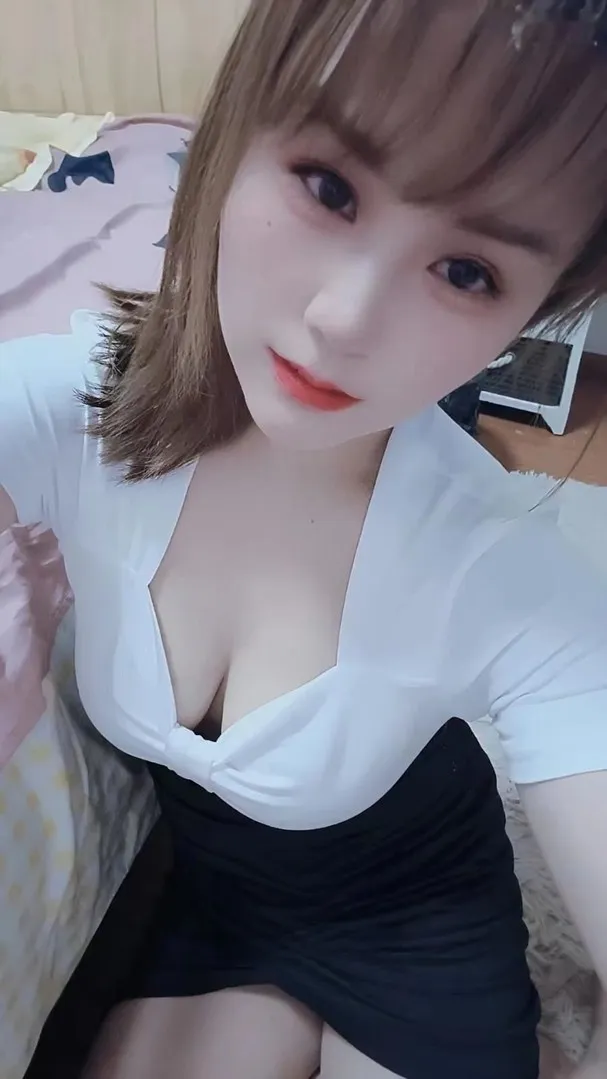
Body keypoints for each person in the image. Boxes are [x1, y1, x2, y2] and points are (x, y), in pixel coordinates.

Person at [1, 1, 607, 1076]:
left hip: (415, 913)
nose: (344, 317)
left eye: (467, 271)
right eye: (328, 187)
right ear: (237, 129)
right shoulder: (71, 412)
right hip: (213, 897)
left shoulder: (504, 567)